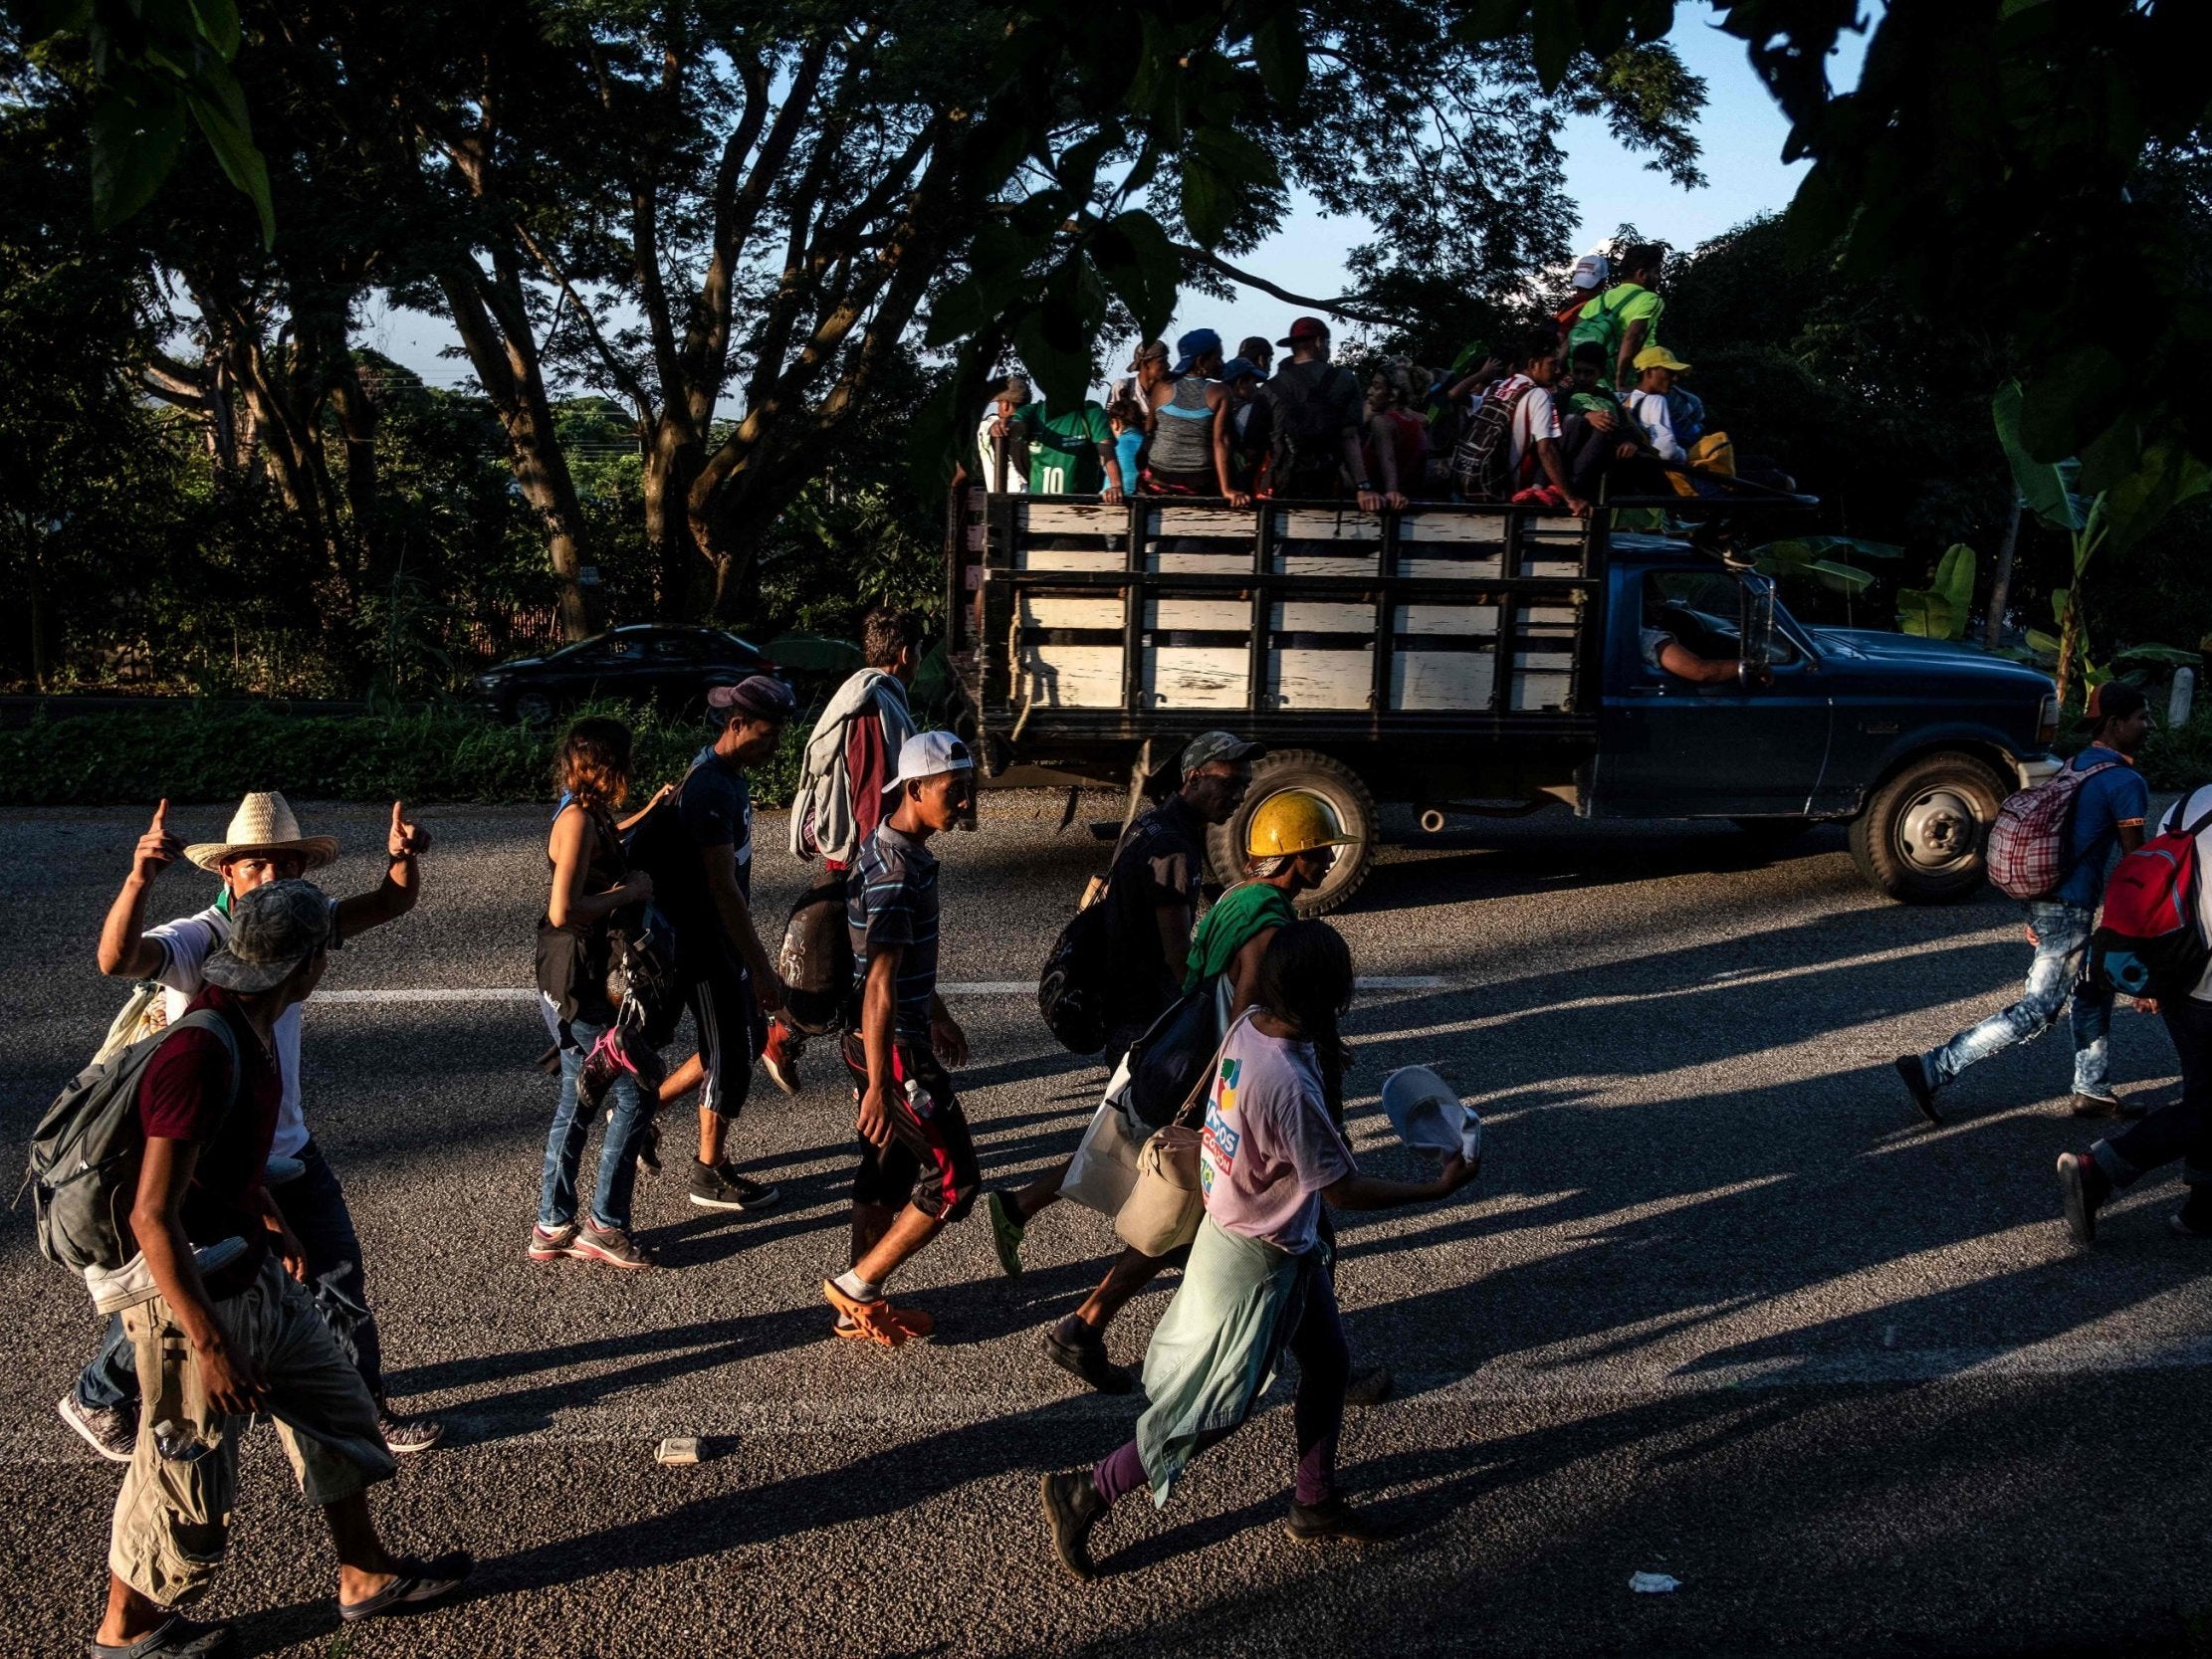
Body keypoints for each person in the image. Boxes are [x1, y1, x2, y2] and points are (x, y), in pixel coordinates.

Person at [89, 880, 470, 1658]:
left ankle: (364, 1573)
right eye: (322, 948)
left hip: (252, 1269)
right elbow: (151, 1214)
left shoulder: (255, 1031)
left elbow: (217, 1160)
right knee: (182, 1477)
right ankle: (125, 1632)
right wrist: (209, 1343)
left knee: (335, 1404)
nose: (330, 957)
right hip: (194, 1298)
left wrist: (270, 1213)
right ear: (302, 967)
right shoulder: (200, 1047)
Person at [1037, 922, 1481, 1580]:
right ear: (1329, 992)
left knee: (1328, 1365)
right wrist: (1434, 1188)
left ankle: (1316, 1499)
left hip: (1270, 1243)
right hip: (1258, 1259)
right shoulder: (1291, 1089)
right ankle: (1087, 1491)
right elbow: (1343, 1189)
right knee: (1216, 1406)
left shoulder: (1250, 1024)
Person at [63, 792, 442, 1465]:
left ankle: (361, 1407)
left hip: (285, 1145)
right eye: (254, 866)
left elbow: (387, 903)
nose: (269, 879)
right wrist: (138, 878)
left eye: (284, 866)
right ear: (226, 872)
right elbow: (117, 959)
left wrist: (401, 862)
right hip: (212, 1155)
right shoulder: (200, 937)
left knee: (334, 1274)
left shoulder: (299, 922)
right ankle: (105, 1393)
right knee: (190, 1289)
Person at [984, 732, 1259, 1389]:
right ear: (1192, 777)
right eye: (1227, 778)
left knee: (1131, 1143)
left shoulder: (1165, 827)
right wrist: (1210, 1011)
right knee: (1161, 1165)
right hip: (1148, 1020)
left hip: (1139, 1016)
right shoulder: (1167, 842)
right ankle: (1092, 1309)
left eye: (1244, 781)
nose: (1238, 790)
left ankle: (1027, 1214)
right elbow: (1177, 953)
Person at [1896, 683, 2155, 1127]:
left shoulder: (2077, 766)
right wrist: (2145, 928)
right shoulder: (2124, 781)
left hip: (2045, 898)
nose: (2149, 726)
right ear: (2115, 724)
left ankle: (2091, 1090)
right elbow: (2138, 867)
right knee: (2038, 1010)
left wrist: (2033, 909)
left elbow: (2048, 839)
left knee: (2092, 990)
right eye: (2142, 717)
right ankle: (1934, 1067)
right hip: (2069, 907)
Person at [822, 730, 979, 1346]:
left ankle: (856, 1303)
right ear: (915, 789)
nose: (963, 803)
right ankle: (856, 1286)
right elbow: (879, 983)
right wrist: (883, 1086)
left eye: (966, 790)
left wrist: (937, 1011)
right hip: (894, 1048)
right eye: (953, 791)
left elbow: (896, 964)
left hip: (895, 1036)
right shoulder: (894, 872)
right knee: (955, 1181)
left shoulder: (900, 851)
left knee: (887, 1167)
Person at [648, 675, 795, 1212]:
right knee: (731, 1051)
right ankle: (708, 1173)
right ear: (736, 726)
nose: (777, 743)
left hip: (718, 939)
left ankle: (642, 1111)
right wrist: (759, 966)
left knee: (744, 1039)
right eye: (768, 732)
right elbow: (722, 889)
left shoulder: (727, 775)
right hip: (706, 942)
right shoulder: (710, 787)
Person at [767, 608, 925, 1094]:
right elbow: (873, 793)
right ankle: (867, 1079)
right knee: (868, 973)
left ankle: (859, 1074)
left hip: (850, 857)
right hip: (864, 860)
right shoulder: (876, 707)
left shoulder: (863, 693)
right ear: (904, 654)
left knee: (849, 972)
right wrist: (882, 860)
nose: (919, 659)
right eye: (918, 650)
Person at [2058, 776, 2212, 1245]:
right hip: (2208, 983)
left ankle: (2204, 1209)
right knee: (2209, 1102)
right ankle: (2099, 1170)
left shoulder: (2193, 800)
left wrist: (2153, 977)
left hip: (2173, 969)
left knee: (2206, 1093)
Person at [532, 719, 661, 1269]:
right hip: (577, 978)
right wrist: (627, 892)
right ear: (610, 764)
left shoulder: (582, 809)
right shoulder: (580, 820)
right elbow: (564, 909)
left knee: (576, 1096)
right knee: (635, 1090)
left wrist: (650, 811)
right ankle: (604, 1226)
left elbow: (601, 843)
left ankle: (552, 1222)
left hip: (566, 975)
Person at [1255, 317, 1384, 512]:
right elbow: (1349, 437)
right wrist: (1363, 486)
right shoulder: (1344, 380)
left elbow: (1253, 446)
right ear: (1319, 342)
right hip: (1329, 483)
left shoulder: (1269, 388)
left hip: (1281, 485)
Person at [1462, 325, 1593, 516]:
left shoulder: (1498, 386)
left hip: (1476, 480)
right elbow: (1545, 449)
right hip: (1508, 489)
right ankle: (1540, 489)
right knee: (1576, 425)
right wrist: (1570, 498)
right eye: (1552, 364)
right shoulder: (1538, 395)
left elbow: (1455, 397)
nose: (1557, 370)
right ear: (1533, 364)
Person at [1142, 328, 1237, 496]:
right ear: (1201, 361)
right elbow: (1221, 441)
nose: (1222, 363)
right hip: (1199, 481)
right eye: (1218, 358)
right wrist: (1226, 489)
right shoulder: (1221, 392)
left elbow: (1149, 428)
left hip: (1158, 476)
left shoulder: (1161, 386)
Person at [1564, 241, 1666, 391]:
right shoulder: (1650, 299)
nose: (1659, 277)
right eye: (1656, 272)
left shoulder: (1598, 300)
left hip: (1591, 382)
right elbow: (1632, 336)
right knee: (1689, 404)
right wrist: (1620, 381)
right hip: (1629, 381)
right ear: (1642, 274)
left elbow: (1572, 339)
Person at [996, 394, 1127, 500]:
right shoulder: (1032, 411)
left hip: (1081, 510)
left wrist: (1116, 486)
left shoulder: (1091, 411)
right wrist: (1003, 424)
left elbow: (1106, 451)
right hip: (1038, 509)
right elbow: (1016, 425)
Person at [1359, 360, 1423, 508]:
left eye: (1376, 387)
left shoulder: (1382, 422)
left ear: (1393, 395)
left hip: (1377, 497)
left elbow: (1387, 458)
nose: (1369, 392)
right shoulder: (1413, 422)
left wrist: (1392, 491)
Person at [1213, 356, 1270, 503]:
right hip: (1241, 487)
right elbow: (1250, 452)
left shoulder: (1213, 407)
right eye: (1253, 382)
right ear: (1240, 383)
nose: (1255, 388)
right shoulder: (1249, 410)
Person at [1625, 345, 1692, 463]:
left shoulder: (1626, 400)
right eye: (1669, 372)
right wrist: (1684, 454)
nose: (1675, 379)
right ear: (1649, 372)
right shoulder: (1656, 400)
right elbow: (1667, 451)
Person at [974, 374, 1031, 492]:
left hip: (1003, 502)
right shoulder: (1037, 426)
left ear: (1005, 405)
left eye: (998, 403)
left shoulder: (988, 426)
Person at [1106, 396, 1148, 497]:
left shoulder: (1112, 447)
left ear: (1115, 423)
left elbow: (1106, 488)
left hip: (1120, 505)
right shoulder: (1150, 444)